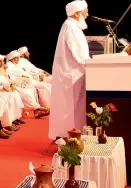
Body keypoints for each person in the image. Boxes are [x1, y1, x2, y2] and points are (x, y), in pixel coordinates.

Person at [49, 0, 90, 140]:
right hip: (72, 76)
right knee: (71, 110)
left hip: (72, 74)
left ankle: (70, 137)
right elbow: (80, 55)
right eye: (85, 11)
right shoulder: (71, 27)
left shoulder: (71, 26)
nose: (87, 14)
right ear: (77, 13)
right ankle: (70, 138)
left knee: (70, 109)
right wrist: (91, 67)